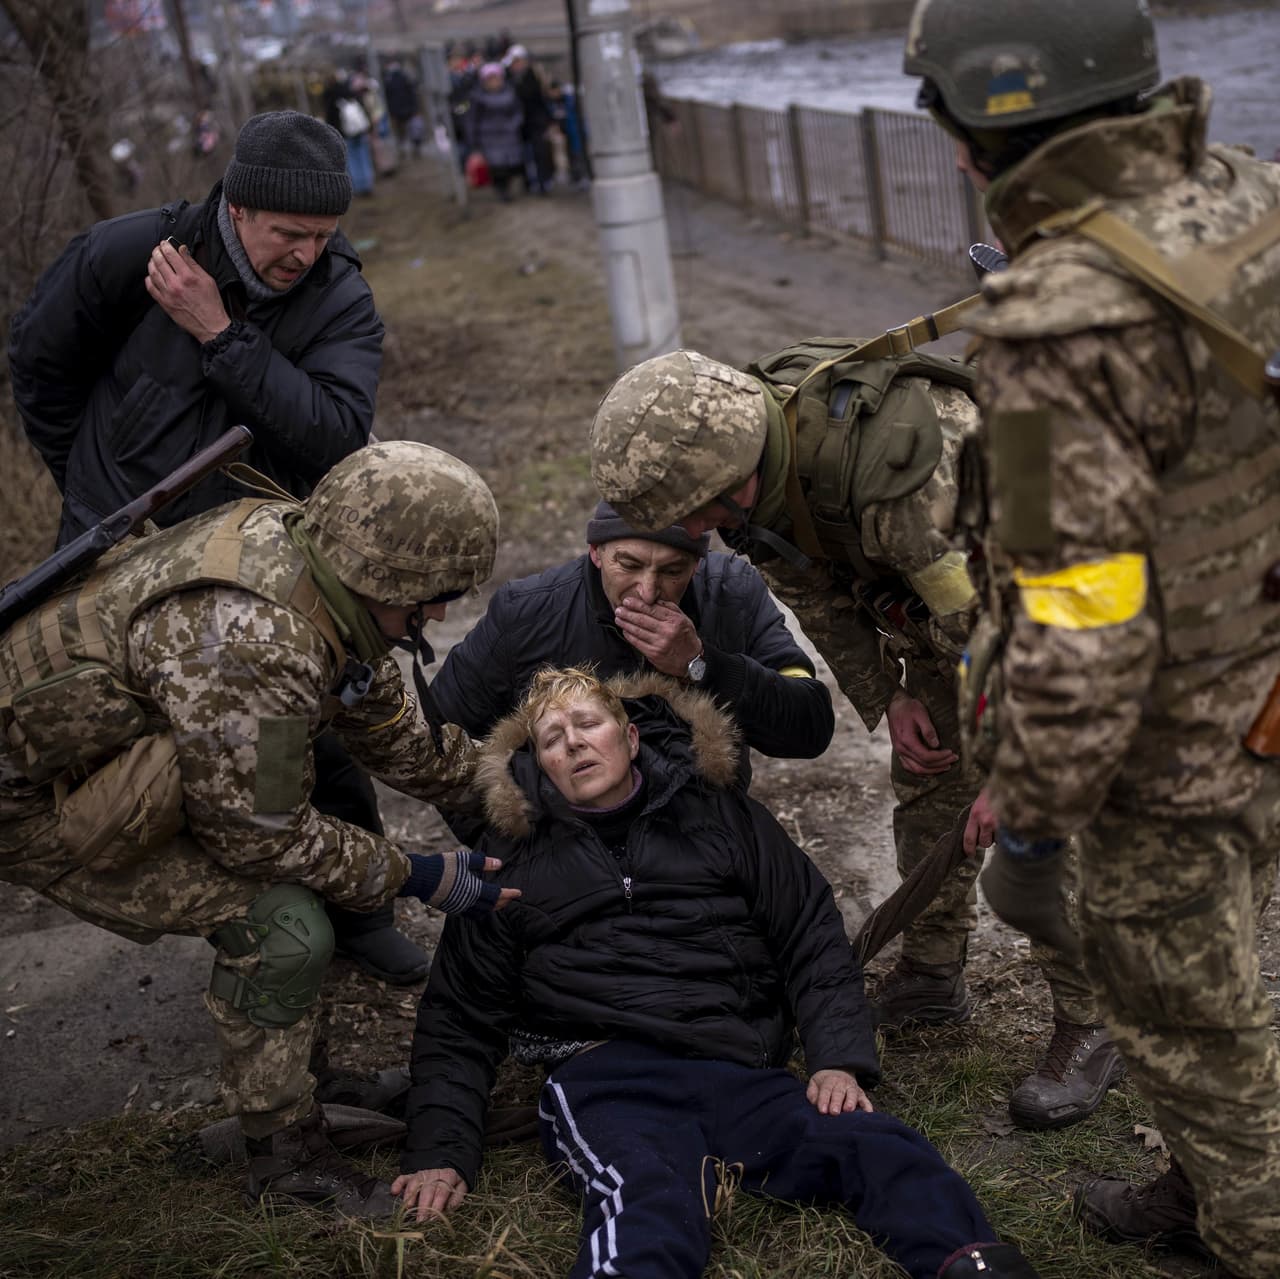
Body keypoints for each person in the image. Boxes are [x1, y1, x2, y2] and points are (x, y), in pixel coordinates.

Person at [903, 2, 1280, 1275]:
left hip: (1169, 753)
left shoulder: (1056, 324)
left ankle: (1249, 1234)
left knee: (1192, 1026)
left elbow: (1077, 622)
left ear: (975, 132)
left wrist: (1031, 808)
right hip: (1263, 690)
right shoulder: (1246, 197)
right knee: (1218, 989)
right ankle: (1202, 1186)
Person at [588, 346, 1114, 1132]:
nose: (695, 534)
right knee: (932, 776)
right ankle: (934, 972)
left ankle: (1092, 1016)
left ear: (730, 475)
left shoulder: (905, 473)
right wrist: (892, 694)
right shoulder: (756, 477)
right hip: (955, 623)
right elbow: (819, 595)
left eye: (697, 513)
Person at [0, 442, 517, 1216]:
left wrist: (511, 789)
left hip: (134, 760)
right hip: (29, 802)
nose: (439, 613)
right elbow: (261, 837)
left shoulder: (319, 565)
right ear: (384, 576)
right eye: (433, 595)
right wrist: (419, 874)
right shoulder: (254, 642)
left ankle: (307, 1088)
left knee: (297, 888)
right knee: (283, 925)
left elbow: (386, 726)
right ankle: (287, 1160)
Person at [393, 667, 1041, 1279]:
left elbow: (809, 929)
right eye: (554, 740)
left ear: (630, 734)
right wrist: (440, 1150)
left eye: (588, 724)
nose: (575, 744)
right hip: (608, 1078)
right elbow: (459, 1011)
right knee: (649, 1197)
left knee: (876, 1143)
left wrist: (837, 1058)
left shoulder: (720, 815)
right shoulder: (512, 860)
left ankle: (970, 1261)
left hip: (735, 1062)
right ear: (541, 766)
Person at [8, 107, 426, 985]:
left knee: (314, 733)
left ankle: (361, 915)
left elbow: (341, 439)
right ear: (237, 208)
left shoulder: (339, 298)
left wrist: (222, 336)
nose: (305, 253)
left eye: (322, 234)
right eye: (289, 233)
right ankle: (230, 912)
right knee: (131, 738)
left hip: (261, 565)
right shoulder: (131, 255)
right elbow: (41, 364)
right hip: (116, 556)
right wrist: (90, 479)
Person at [429, 498, 834, 767]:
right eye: (629, 564)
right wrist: (518, 841)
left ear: (697, 564)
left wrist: (702, 665)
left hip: (707, 846)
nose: (647, 590)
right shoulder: (527, 612)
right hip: (571, 849)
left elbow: (809, 727)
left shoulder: (732, 591)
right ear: (596, 552)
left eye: (672, 571)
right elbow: (438, 741)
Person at [465, 63, 525, 202]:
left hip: (509, 135)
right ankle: (501, 189)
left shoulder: (510, 93)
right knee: (497, 167)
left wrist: (514, 124)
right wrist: (473, 139)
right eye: (490, 79)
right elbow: (472, 119)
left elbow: (517, 112)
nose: (494, 82)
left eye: (496, 78)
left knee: (510, 165)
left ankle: (506, 187)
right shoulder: (477, 97)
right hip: (489, 138)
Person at [504, 45, 553, 194]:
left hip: (536, 121)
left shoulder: (535, 76)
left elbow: (542, 99)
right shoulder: (508, 79)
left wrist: (547, 121)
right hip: (518, 124)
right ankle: (529, 182)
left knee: (540, 152)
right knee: (523, 154)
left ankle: (543, 181)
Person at [323, 72, 375, 197]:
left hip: (345, 133)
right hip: (359, 130)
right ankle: (368, 182)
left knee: (351, 159)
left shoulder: (330, 97)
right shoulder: (349, 92)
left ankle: (358, 185)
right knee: (363, 155)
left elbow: (331, 119)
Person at [382, 60, 421, 157]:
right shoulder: (402, 77)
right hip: (405, 109)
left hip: (399, 110)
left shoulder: (390, 79)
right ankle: (411, 148)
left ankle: (405, 148)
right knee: (409, 130)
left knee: (403, 132)